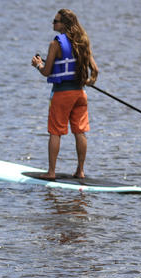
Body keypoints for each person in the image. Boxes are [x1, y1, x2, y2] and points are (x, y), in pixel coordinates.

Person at [31, 9, 98, 180]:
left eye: (56, 21)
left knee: (55, 132)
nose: (53, 24)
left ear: (64, 24)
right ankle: (80, 171)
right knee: (80, 132)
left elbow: (46, 72)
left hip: (62, 94)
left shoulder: (56, 44)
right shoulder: (82, 41)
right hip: (80, 94)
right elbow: (95, 71)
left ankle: (51, 172)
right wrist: (89, 82)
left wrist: (38, 65)